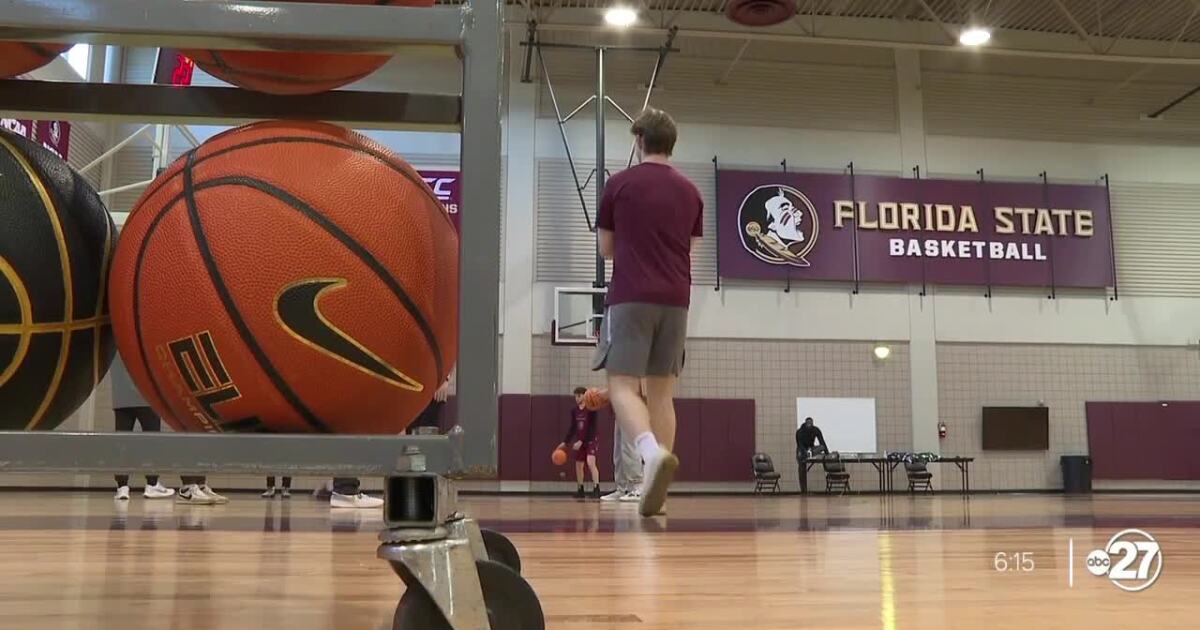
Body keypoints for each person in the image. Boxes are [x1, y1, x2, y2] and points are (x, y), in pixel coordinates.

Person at [592, 107, 703, 518]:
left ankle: (649, 455)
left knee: (621, 385)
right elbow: (690, 248)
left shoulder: (618, 185)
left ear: (639, 141)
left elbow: (606, 249)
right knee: (662, 392)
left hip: (631, 295)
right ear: (672, 144)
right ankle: (660, 486)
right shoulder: (691, 192)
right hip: (677, 298)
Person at [110, 356, 174, 501]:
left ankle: (122, 488)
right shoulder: (141, 336)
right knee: (151, 442)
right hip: (146, 398)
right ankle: (152, 484)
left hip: (120, 398)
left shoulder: (114, 342)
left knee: (122, 444)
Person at [600, 379, 645, 503]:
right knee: (619, 451)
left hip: (632, 405)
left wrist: (606, 392)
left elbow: (631, 383)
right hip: (620, 407)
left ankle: (638, 487)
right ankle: (622, 487)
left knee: (629, 448)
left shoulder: (633, 365)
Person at [559, 387, 601, 500]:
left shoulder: (591, 409)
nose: (577, 398)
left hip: (591, 439)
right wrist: (565, 442)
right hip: (580, 440)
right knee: (578, 465)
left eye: (579, 396)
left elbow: (592, 428)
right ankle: (580, 489)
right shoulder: (574, 411)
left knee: (591, 462)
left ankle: (596, 489)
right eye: (575, 396)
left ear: (585, 395)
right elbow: (573, 428)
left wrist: (582, 441)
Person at [795, 417, 829, 494]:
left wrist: (827, 454)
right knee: (802, 467)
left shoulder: (816, 430)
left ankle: (810, 454)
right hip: (802, 450)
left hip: (811, 449)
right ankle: (803, 490)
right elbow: (800, 444)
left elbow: (822, 442)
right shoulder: (800, 431)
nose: (809, 425)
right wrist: (805, 452)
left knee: (822, 447)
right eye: (808, 423)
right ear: (805, 423)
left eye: (811, 423)